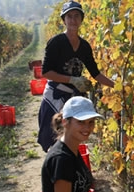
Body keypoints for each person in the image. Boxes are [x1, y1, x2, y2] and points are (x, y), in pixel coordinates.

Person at [38, 0, 115, 152]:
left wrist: (117, 86)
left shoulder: (85, 46)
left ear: (81, 19)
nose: (73, 20)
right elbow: (46, 72)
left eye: (76, 16)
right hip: (55, 94)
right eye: (69, 16)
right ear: (64, 20)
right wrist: (72, 79)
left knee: (71, 138)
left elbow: (96, 73)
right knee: (51, 137)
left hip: (73, 98)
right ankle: (55, 168)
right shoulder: (56, 42)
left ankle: (68, 168)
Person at [36, 96, 122, 192]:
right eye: (81, 122)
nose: (87, 128)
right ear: (65, 122)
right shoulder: (61, 159)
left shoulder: (72, 149)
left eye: (91, 122)